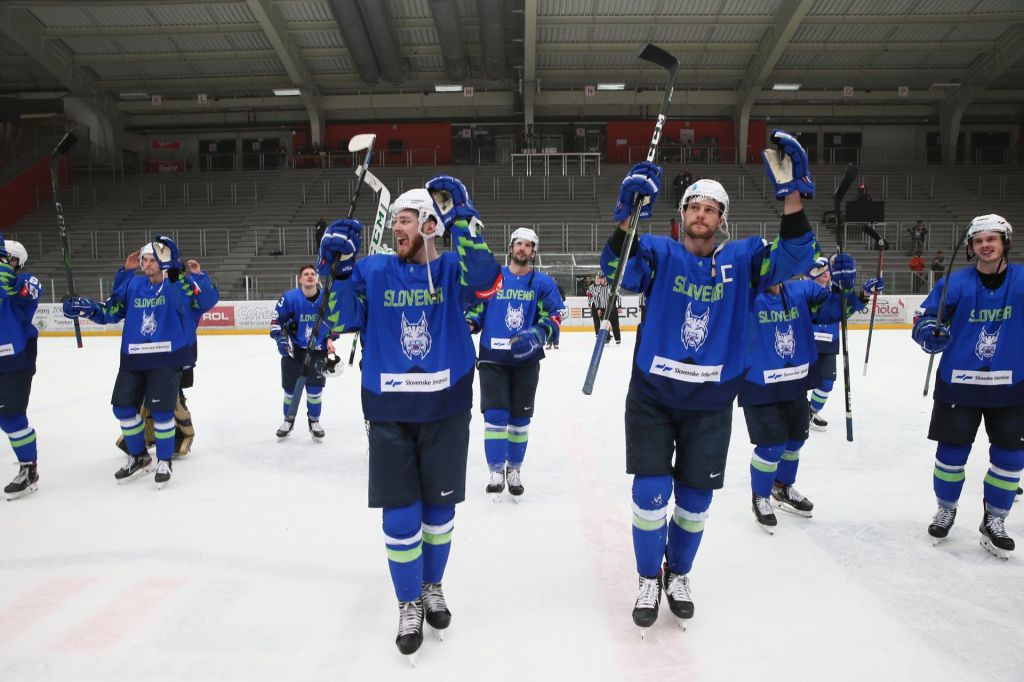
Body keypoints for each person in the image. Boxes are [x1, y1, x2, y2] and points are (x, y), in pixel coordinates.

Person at [602, 130, 818, 633]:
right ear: (681, 216)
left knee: (696, 499)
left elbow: (796, 258)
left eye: (710, 209)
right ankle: (646, 578)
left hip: (713, 400)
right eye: (693, 207)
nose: (701, 215)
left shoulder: (744, 260)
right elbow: (617, 271)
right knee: (652, 491)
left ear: (721, 221)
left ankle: (678, 573)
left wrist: (791, 195)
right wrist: (625, 218)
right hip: (654, 396)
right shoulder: (656, 252)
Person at [318, 176, 501, 659]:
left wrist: (462, 217)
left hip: (446, 406)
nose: (395, 227)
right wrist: (334, 269)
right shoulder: (374, 270)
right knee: (401, 516)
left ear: (428, 224)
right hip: (389, 409)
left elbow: (486, 281)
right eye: (394, 219)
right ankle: (408, 602)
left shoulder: (452, 269)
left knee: (439, 514)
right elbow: (340, 318)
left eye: (405, 219)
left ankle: (432, 585)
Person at [62, 236, 217, 488]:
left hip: (167, 358)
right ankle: (139, 456)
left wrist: (198, 277)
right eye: (144, 259)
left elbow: (206, 301)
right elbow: (110, 311)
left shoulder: (178, 285)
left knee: (162, 411)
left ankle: (164, 460)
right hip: (133, 359)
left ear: (165, 262)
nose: (146, 263)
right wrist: (86, 308)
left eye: (152, 259)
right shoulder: (134, 285)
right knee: (122, 409)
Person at [741, 256, 882, 532]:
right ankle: (760, 496)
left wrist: (852, 292)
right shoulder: (746, 298)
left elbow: (832, 310)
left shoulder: (801, 291)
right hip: (758, 383)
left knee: (795, 442)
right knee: (772, 447)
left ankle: (782, 487)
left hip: (794, 381)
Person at [911, 214, 1022, 559]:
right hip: (959, 383)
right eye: (978, 241)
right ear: (972, 248)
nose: (985, 245)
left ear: (1005, 242)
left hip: (1011, 385)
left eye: (992, 239)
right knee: (950, 458)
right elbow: (925, 318)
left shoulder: (1022, 280)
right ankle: (946, 509)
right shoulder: (954, 283)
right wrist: (928, 332)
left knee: (1010, 460)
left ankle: (995, 520)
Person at [465, 227, 564, 501]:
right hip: (493, 360)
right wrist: (470, 323)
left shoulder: (542, 283)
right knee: (495, 417)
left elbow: (555, 316)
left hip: (525, 361)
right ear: (511, 248)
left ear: (534, 251)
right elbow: (477, 309)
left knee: (520, 420)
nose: (522, 249)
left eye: (528, 245)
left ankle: (515, 470)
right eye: (518, 244)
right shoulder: (494, 279)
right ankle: (496, 471)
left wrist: (539, 333)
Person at [270, 264, 337, 440]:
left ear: (317, 278)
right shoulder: (290, 298)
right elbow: (276, 322)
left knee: (315, 391)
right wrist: (282, 341)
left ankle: (314, 421)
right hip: (294, 352)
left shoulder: (327, 298)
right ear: (300, 279)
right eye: (306, 274)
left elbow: (336, 322)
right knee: (290, 391)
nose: (309, 276)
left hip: (317, 351)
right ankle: (288, 420)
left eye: (312, 274)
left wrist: (331, 339)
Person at [0, 236, 42, 500]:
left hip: (16, 358)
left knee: (12, 416)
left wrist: (7, 276)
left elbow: (24, 289)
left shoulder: (26, 281)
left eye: (7, 260)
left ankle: (29, 469)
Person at [807, 258, 837, 431]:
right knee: (799, 383)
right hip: (806, 343)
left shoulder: (835, 292)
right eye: (821, 269)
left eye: (828, 269)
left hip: (828, 344)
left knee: (826, 384)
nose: (825, 272)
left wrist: (865, 295)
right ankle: (799, 413)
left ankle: (811, 411)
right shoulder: (803, 290)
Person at [587, 273, 620, 344]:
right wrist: (597, 308)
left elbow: (617, 296)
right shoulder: (594, 287)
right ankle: (604, 337)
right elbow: (595, 296)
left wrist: (619, 306)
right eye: (598, 278)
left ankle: (617, 338)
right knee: (603, 323)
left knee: (615, 324)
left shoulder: (611, 286)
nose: (599, 280)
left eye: (600, 278)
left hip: (612, 308)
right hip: (600, 307)